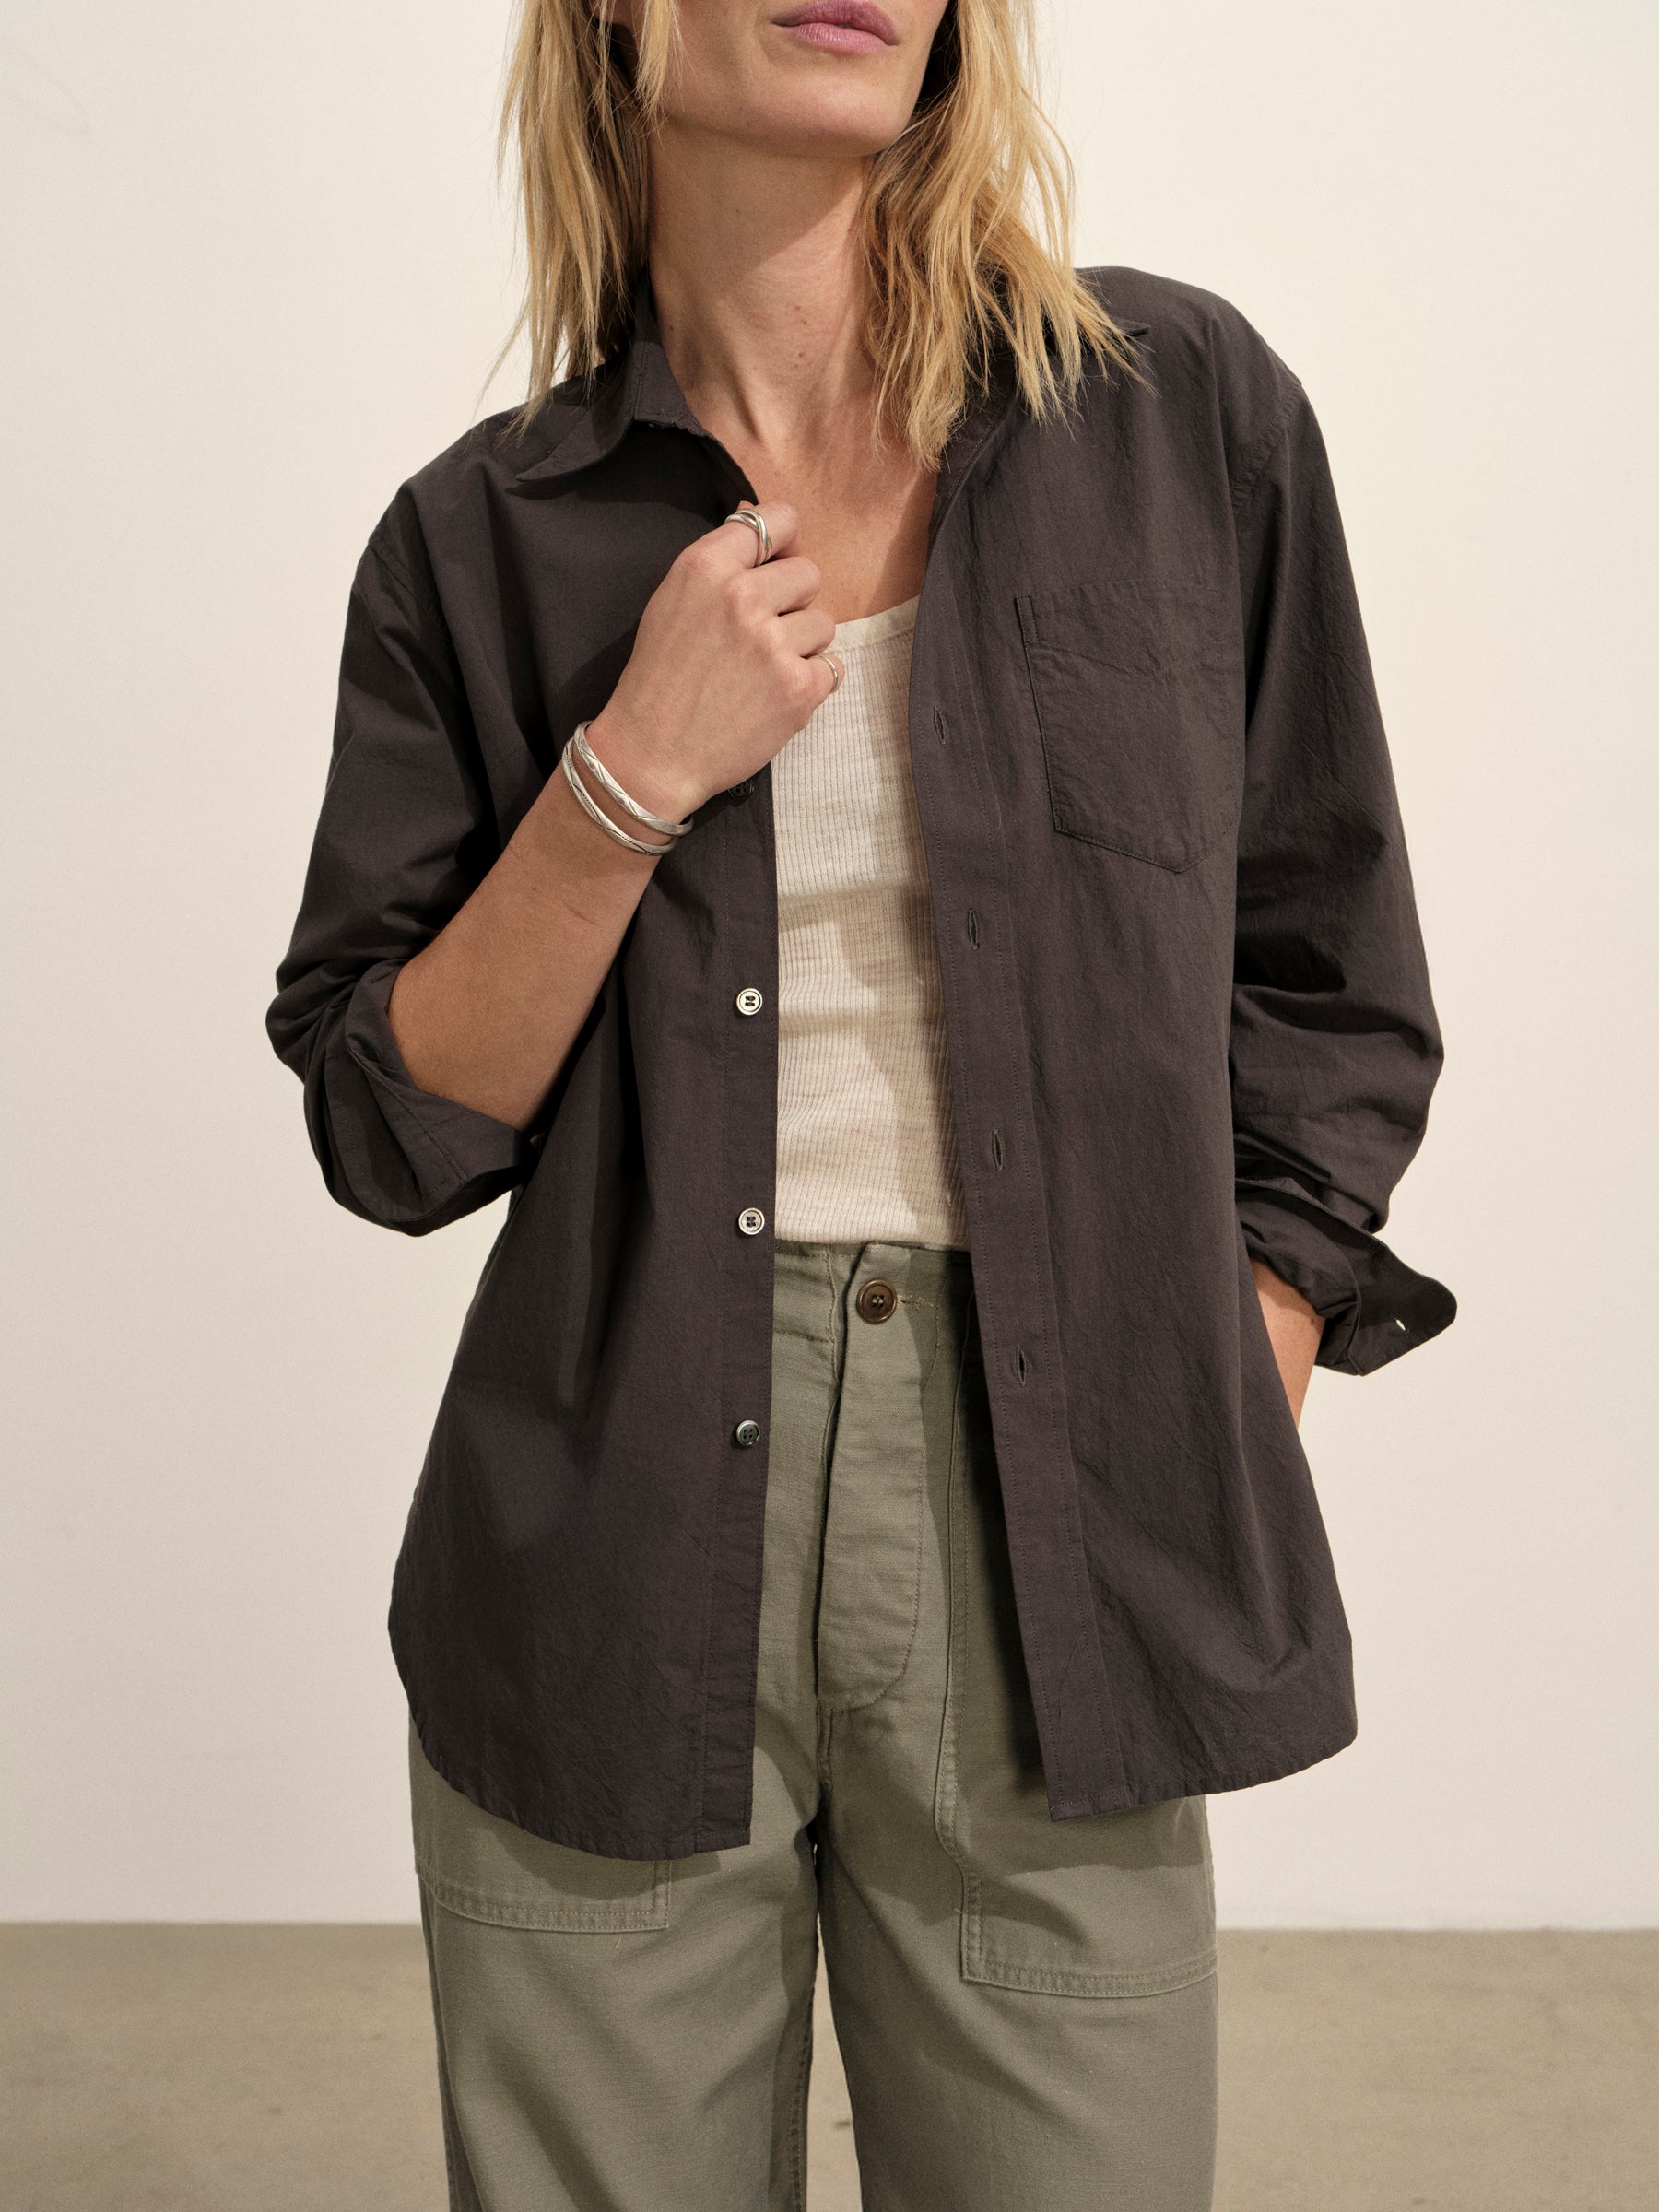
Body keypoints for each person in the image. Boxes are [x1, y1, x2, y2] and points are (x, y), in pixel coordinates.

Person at [267, 1, 1455, 2204]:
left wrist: (1245, 1340)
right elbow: (391, 1126)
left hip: (1064, 1518)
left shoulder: (1178, 416)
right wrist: (628, 772)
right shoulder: (484, 534)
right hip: (614, 1521)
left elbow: (1330, 972)